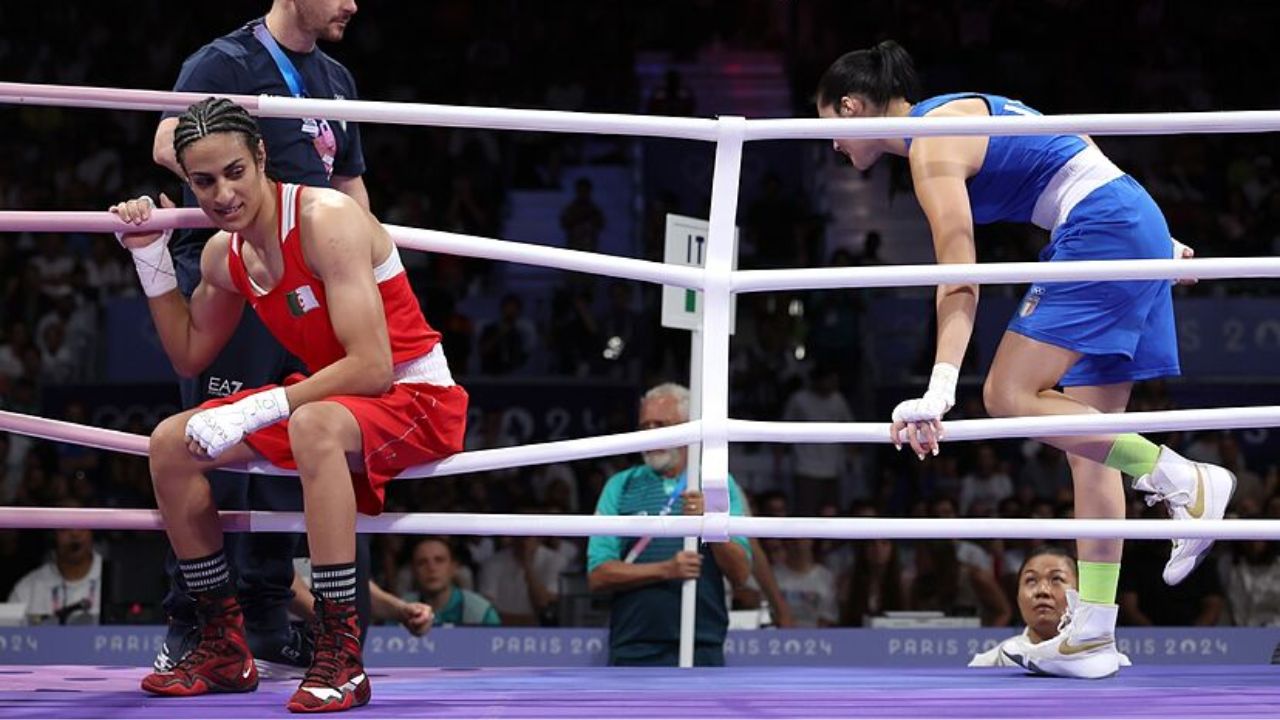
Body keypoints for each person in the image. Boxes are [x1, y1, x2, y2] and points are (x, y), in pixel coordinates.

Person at [816, 40, 1236, 679]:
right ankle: (1093, 630)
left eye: (829, 129)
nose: (834, 147)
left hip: (1105, 227)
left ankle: (1182, 478)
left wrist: (940, 387)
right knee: (1087, 442)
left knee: (1008, 396)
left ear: (849, 108)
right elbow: (1068, 149)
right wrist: (1149, 233)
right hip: (1118, 217)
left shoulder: (930, 141)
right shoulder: (951, 114)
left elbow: (960, 275)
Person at [111, 97, 467, 712]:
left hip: (414, 395)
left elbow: (374, 365)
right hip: (330, 400)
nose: (222, 194)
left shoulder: (326, 218)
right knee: (172, 444)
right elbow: (190, 354)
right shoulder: (226, 255)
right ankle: (221, 643)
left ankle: (340, 653)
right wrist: (151, 258)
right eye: (203, 181)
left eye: (234, 173)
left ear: (262, 158)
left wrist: (256, 408)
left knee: (312, 422)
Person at [150, 0, 371, 678]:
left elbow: (349, 181)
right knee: (211, 442)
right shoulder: (225, 61)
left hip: (310, 275)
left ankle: (271, 618)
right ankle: (197, 623)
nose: (351, 5)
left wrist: (368, 268)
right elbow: (170, 142)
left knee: (294, 448)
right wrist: (233, 177)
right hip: (241, 272)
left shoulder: (335, 77)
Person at [586, 383, 752, 666]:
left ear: (688, 429)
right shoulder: (621, 485)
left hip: (702, 643)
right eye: (645, 426)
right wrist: (665, 570)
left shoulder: (716, 483)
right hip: (633, 645)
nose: (652, 435)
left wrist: (709, 522)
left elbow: (740, 573)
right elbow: (598, 575)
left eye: (662, 425)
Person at [969, 545, 1131, 668]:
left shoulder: (1112, 664)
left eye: (1056, 579)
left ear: (1080, 593)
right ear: (1017, 597)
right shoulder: (988, 664)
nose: (1042, 591)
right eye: (1031, 580)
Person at [7, 526, 102, 625]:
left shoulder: (116, 582)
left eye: (82, 524)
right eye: (65, 526)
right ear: (53, 534)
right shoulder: (26, 589)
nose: (75, 533)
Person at [402, 536, 500, 626]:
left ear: (453, 567)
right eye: (422, 562)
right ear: (413, 571)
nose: (431, 568)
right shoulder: (401, 609)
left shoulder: (481, 612)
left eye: (439, 560)